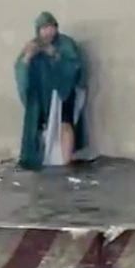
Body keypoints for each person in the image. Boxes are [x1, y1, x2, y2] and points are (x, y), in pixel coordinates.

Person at [15, 11, 92, 170]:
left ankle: (66, 161)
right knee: (39, 126)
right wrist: (28, 58)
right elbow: (21, 69)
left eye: (50, 27)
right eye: (44, 28)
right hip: (42, 95)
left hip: (64, 91)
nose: (47, 32)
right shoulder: (33, 45)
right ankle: (42, 158)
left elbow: (74, 65)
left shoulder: (66, 44)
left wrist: (54, 55)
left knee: (65, 123)